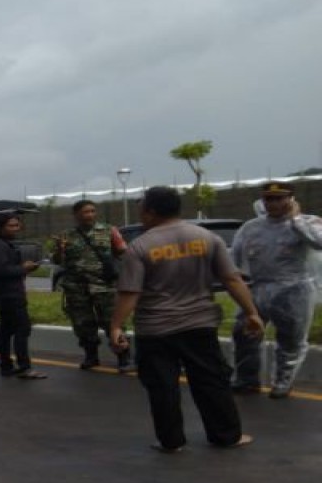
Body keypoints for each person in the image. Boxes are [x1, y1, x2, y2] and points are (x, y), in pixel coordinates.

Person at [109, 186, 262, 453]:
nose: (140, 212)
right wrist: (251, 313)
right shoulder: (206, 238)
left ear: (152, 211)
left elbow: (130, 292)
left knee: (162, 387)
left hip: (155, 329)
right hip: (199, 324)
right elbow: (231, 279)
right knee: (211, 382)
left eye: (142, 207)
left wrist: (115, 326)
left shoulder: (140, 246)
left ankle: (170, 441)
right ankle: (226, 435)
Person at [230, 181, 322, 399]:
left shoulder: (309, 222)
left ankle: (283, 382)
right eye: (268, 199)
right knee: (244, 333)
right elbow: (235, 257)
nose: (273, 203)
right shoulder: (252, 227)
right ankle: (247, 379)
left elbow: (318, 242)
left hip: (294, 289)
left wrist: (296, 220)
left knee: (290, 340)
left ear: (291, 199)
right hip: (259, 287)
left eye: (279, 198)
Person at [53, 200, 133, 372]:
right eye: (85, 212)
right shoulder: (66, 235)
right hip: (76, 288)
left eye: (92, 211)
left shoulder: (109, 230)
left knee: (112, 322)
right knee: (83, 324)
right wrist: (60, 250)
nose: (90, 215)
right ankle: (91, 356)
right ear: (76, 215)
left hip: (104, 286)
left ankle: (124, 357)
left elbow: (122, 252)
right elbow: (58, 261)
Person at [0, 213, 45, 378]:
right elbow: (2, 270)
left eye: (17, 225)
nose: (16, 228)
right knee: (22, 329)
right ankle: (24, 367)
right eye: (11, 225)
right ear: (1, 227)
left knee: (6, 331)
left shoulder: (4, 244)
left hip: (9, 293)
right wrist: (25, 268)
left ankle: (6, 366)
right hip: (9, 295)